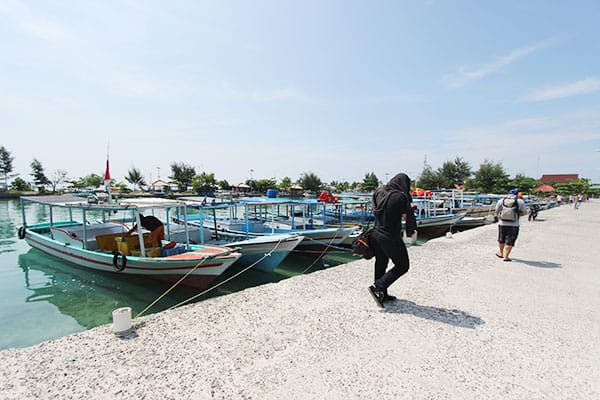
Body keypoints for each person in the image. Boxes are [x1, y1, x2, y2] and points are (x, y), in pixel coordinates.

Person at [367, 173, 417, 308]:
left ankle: (382, 294)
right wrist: (410, 230)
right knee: (402, 265)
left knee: (381, 261)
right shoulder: (400, 196)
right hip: (389, 236)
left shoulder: (378, 192)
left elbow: (374, 210)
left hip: (375, 234)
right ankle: (378, 286)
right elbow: (408, 217)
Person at [495, 189, 527, 262]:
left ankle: (500, 253)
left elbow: (496, 211)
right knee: (510, 240)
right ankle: (506, 257)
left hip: (502, 223)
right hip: (514, 224)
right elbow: (525, 212)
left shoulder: (501, 200)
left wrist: (500, 217)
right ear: (517, 194)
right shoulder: (520, 201)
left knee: (501, 238)